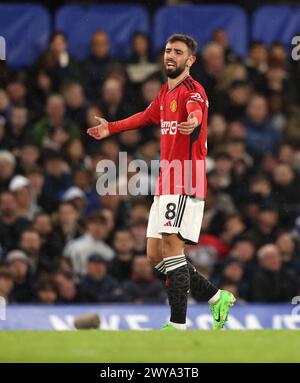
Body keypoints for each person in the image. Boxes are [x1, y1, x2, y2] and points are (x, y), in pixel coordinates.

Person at [87, 34, 235, 330]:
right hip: (166, 182)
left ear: (190, 60)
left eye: (178, 52)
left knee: (171, 248)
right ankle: (217, 297)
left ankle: (177, 324)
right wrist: (111, 128)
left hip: (185, 179)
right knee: (156, 255)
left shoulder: (194, 91)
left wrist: (193, 121)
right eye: (168, 50)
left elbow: (195, 111)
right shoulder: (165, 93)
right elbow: (145, 116)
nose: (171, 55)